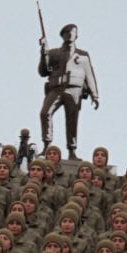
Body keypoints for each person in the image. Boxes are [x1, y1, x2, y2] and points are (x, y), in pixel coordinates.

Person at [38, 23, 99, 159]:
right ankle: (47, 145)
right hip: (57, 89)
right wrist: (43, 54)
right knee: (45, 113)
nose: (70, 34)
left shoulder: (83, 55)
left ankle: (72, 150)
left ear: (77, 35)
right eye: (67, 32)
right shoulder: (54, 53)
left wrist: (94, 95)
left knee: (72, 119)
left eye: (73, 32)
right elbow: (43, 71)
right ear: (63, 35)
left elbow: (89, 75)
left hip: (74, 90)